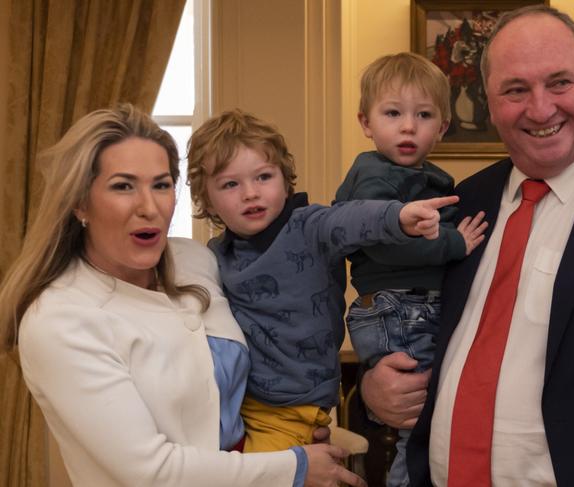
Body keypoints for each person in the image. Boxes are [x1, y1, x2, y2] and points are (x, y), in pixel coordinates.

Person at [0, 104, 367, 487]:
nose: (150, 206)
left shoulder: (197, 259)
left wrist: (366, 378)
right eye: (123, 186)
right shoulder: (59, 319)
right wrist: (294, 468)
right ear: (79, 203)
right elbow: (149, 472)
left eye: (160, 184)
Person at [361, 5, 574, 487]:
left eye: (560, 82)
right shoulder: (455, 203)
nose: (540, 109)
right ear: (489, 104)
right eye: (515, 90)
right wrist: (374, 386)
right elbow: (403, 309)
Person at [185, 109, 458, 454]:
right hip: (238, 406)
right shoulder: (216, 254)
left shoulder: (310, 227)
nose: (250, 193)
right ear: (206, 199)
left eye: (264, 177)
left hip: (292, 410)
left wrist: (399, 217)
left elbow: (353, 217)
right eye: (230, 184)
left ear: (285, 181)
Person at [333, 52, 487, 487]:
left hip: (410, 307)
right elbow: (386, 244)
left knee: (428, 424)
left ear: (441, 127)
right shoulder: (373, 177)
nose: (407, 126)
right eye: (392, 113)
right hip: (396, 309)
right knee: (419, 426)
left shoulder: (430, 178)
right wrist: (454, 242)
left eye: (423, 115)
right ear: (366, 122)